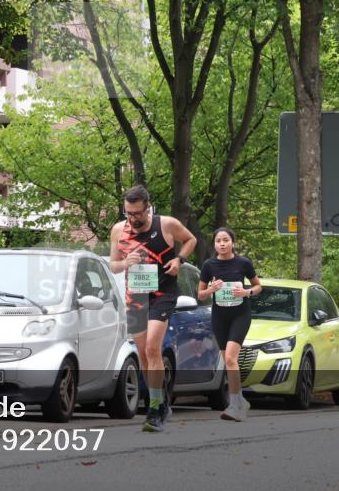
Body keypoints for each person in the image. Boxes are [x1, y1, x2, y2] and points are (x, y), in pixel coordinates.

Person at [108, 185, 197, 432]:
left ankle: (154, 408)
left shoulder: (166, 224)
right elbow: (113, 266)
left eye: (137, 213)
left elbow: (191, 240)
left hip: (163, 294)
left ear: (148, 207)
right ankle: (160, 402)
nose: (133, 219)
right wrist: (126, 262)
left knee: (152, 347)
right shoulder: (118, 230)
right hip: (135, 296)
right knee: (143, 355)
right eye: (128, 213)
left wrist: (179, 260)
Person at [196, 228, 261, 422]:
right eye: (218, 241)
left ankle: (234, 406)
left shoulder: (243, 263)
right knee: (227, 360)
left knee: (231, 358)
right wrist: (211, 289)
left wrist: (247, 292)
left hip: (240, 314)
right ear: (214, 244)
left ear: (232, 242)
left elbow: (258, 286)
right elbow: (199, 295)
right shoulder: (209, 265)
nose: (222, 244)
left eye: (226, 240)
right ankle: (241, 401)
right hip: (219, 316)